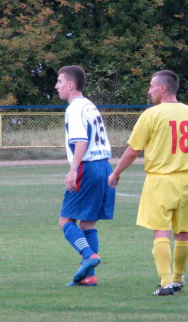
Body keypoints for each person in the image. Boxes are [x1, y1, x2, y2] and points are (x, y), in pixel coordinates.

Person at [108, 70, 188, 296]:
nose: (149, 91)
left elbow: (133, 151)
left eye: (151, 86)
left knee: (161, 232)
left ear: (163, 88)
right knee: (183, 234)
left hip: (161, 180)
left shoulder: (151, 115)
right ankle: (178, 278)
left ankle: (166, 281)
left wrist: (116, 172)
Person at [55, 65, 115, 287]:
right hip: (103, 166)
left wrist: (73, 169)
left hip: (87, 168)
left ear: (71, 84)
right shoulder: (90, 105)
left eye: (59, 81)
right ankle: (89, 275)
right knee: (88, 223)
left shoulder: (74, 108)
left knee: (65, 221)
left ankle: (89, 255)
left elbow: (81, 140)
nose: (56, 86)